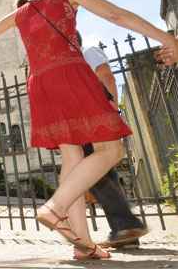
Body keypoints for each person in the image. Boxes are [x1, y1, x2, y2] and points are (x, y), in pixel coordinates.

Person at [0, 0, 178, 260]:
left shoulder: (19, 14)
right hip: (69, 74)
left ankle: (83, 244)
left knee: (72, 156)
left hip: (40, 83)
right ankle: (56, 206)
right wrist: (168, 39)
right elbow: (116, 15)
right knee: (111, 150)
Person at [75, 32, 148, 253]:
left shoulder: (89, 52)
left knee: (98, 174)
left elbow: (106, 76)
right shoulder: (72, 66)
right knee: (102, 175)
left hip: (99, 119)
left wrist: (113, 110)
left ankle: (126, 225)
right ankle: (124, 230)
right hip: (86, 123)